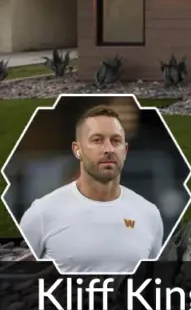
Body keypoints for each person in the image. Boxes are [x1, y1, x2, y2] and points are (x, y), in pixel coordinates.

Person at [19, 105, 164, 273]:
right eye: (97, 140)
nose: (108, 149)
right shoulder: (42, 213)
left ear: (125, 150)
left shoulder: (149, 214)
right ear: (77, 150)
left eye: (115, 141)